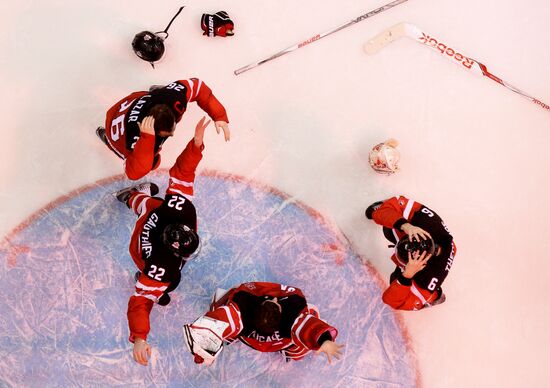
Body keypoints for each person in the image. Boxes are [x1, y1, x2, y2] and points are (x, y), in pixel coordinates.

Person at [114, 116, 211, 366]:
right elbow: (141, 300)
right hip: (141, 252)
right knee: (168, 283)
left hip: (152, 219)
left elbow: (182, 173)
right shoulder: (161, 267)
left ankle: (130, 196)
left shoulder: (176, 210)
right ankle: (131, 197)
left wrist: (195, 145)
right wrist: (139, 337)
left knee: (145, 204)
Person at [97, 78, 230, 180]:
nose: (172, 133)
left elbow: (197, 85)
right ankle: (108, 140)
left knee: (167, 92)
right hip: (117, 133)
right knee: (152, 163)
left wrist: (219, 115)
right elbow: (134, 174)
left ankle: (159, 92)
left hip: (131, 103)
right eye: (167, 134)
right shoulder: (136, 140)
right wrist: (147, 141)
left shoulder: (174, 98)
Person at [182, 281, 344, 365]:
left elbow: (223, 317)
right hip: (280, 342)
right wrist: (324, 341)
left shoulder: (242, 309)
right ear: (281, 313)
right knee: (311, 315)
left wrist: (201, 350)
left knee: (223, 303)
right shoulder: (293, 315)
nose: (274, 297)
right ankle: (291, 354)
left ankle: (229, 338)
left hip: (247, 336)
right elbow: (309, 327)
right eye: (274, 301)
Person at [365, 195, 457, 311]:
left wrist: (407, 275)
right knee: (389, 228)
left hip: (419, 278)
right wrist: (405, 225)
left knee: (397, 282)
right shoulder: (429, 221)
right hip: (432, 240)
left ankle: (435, 297)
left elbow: (392, 301)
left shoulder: (427, 280)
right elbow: (396, 202)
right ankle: (401, 228)